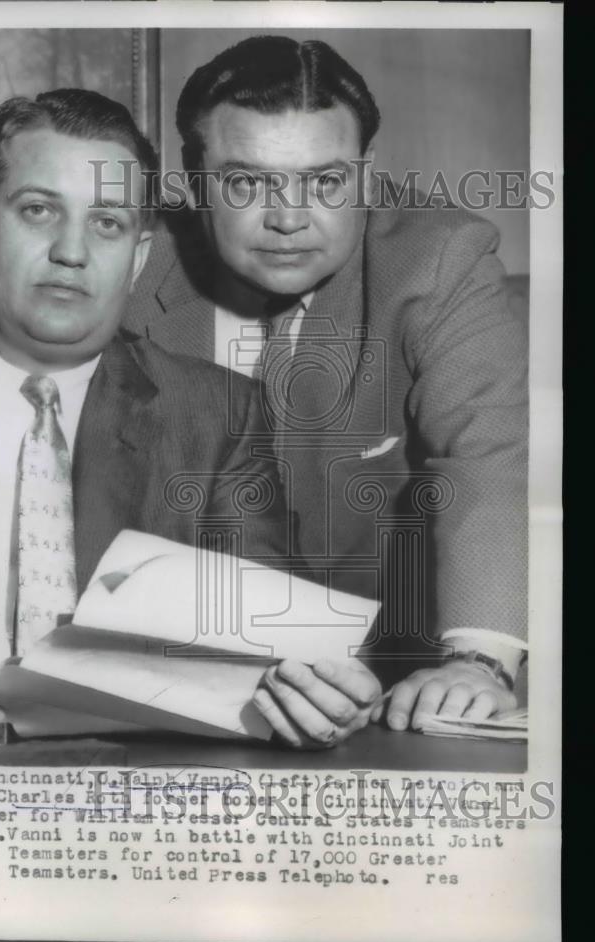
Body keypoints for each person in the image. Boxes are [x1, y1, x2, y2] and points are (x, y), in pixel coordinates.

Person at [0, 87, 382, 750]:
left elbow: (276, 639)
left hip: (135, 801)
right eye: (38, 211)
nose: (73, 251)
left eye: (108, 223)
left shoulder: (217, 415)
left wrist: (323, 690)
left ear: (139, 256)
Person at [124, 35, 526, 737]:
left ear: (366, 178)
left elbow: (486, 455)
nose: (289, 218)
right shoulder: (128, 266)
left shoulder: (441, 260)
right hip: (174, 683)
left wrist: (476, 663)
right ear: (193, 180)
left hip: (395, 687)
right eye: (248, 182)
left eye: (326, 181)